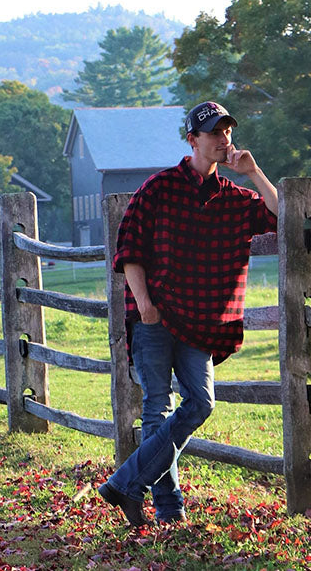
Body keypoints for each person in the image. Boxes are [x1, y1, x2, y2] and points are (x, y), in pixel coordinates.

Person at [97, 100, 278, 526]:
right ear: (193, 139)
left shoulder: (235, 198)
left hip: (201, 323)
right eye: (214, 132)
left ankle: (124, 483)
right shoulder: (158, 188)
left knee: (200, 403)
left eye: (228, 131)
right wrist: (144, 303)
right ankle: (169, 510)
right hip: (155, 317)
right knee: (157, 409)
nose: (224, 139)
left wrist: (252, 172)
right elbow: (129, 249)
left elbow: (283, 214)